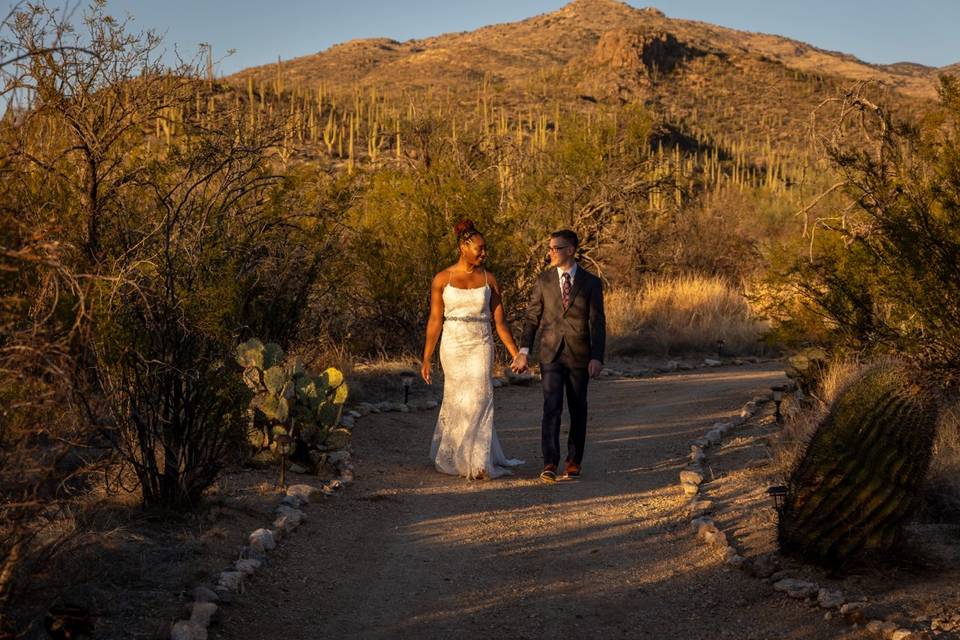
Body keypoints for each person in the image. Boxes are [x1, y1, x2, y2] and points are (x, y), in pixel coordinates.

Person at [421, 219, 524, 480]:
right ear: (463, 247)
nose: (484, 253)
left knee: (480, 396)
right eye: (479, 248)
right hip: (453, 343)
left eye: (485, 248)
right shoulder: (442, 279)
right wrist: (427, 357)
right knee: (458, 399)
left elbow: (500, 322)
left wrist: (515, 353)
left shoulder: (490, 279)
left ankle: (478, 462)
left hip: (480, 342)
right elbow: (435, 320)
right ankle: (458, 456)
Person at [513, 229, 606, 483]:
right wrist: (523, 352)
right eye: (550, 248)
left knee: (578, 408)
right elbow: (532, 318)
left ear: (570, 250)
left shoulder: (591, 283)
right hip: (550, 354)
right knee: (551, 407)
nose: (550, 252)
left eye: (556, 248)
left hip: (579, 355)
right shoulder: (543, 281)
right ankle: (550, 462)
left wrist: (597, 356)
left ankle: (574, 461)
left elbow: (597, 323)